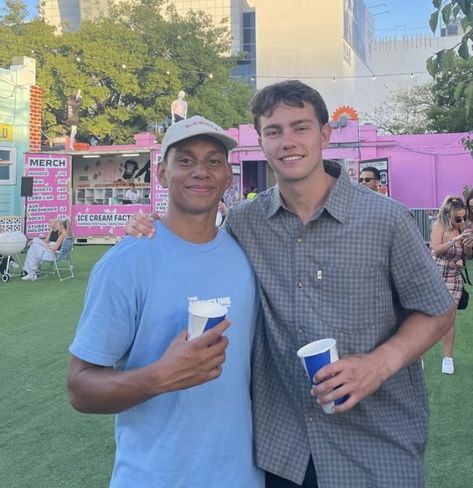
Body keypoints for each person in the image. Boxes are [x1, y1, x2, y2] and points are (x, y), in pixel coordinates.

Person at [125, 80, 454, 487]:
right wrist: (151, 226)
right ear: (260, 142)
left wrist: (379, 364)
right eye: (273, 131)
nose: (288, 142)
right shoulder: (245, 223)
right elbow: (196, 239)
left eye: (300, 127)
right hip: (284, 456)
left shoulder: (386, 220)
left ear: (325, 134)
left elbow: (438, 307)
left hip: (375, 447)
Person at [67, 115, 264, 488]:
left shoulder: (246, 254)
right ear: (161, 173)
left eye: (213, 161)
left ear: (228, 176)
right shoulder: (125, 263)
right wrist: (159, 377)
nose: (200, 172)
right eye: (185, 160)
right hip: (154, 477)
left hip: (242, 476)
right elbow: (80, 388)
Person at [430, 196, 473, 374]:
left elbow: (468, 257)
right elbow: (436, 250)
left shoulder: (463, 229)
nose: (461, 221)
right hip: (435, 275)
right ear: (450, 215)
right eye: (458, 218)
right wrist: (455, 240)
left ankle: (447, 359)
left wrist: (469, 247)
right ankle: (418, 356)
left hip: (453, 278)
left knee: (449, 319)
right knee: (428, 317)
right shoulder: (439, 226)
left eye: (463, 218)